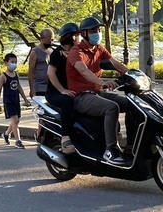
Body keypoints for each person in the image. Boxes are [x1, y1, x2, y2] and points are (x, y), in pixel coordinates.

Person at [66, 16, 129, 165]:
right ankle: (111, 150)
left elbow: (115, 63)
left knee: (131, 103)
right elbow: (84, 71)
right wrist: (103, 82)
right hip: (81, 96)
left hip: (97, 93)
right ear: (84, 33)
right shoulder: (76, 51)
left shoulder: (99, 48)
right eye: (94, 30)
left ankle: (131, 144)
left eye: (99, 30)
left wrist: (132, 75)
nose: (98, 33)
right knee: (111, 108)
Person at [46, 23, 81, 154]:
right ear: (70, 37)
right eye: (77, 36)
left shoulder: (76, 53)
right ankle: (65, 137)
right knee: (68, 100)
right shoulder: (57, 53)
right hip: (55, 93)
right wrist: (62, 90)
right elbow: (50, 73)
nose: (79, 39)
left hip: (72, 89)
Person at [0, 53, 31, 149]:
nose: (14, 64)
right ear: (6, 63)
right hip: (8, 101)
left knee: (17, 120)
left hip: (16, 100)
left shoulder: (16, 74)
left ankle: (6, 134)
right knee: (15, 120)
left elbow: (19, 87)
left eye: (15, 62)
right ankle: (18, 141)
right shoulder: (3, 76)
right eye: (12, 62)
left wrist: (25, 99)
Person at [28, 28, 54, 98]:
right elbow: (31, 72)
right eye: (49, 40)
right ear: (41, 39)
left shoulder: (51, 51)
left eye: (52, 40)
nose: (51, 42)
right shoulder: (35, 52)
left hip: (51, 87)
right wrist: (32, 89)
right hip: (39, 87)